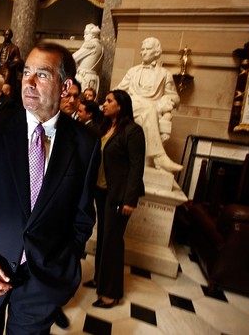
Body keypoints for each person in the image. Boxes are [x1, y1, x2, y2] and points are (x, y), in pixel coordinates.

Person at [0, 42, 100, 334]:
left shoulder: (85, 144)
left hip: (41, 284)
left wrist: (63, 265)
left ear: (66, 85)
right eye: (26, 72)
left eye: (41, 75)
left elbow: (82, 217)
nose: (28, 82)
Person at [84, 90, 145, 309]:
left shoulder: (133, 131)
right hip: (102, 191)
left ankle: (111, 293)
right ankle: (100, 279)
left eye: (109, 101)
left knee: (113, 241)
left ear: (121, 105)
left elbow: (137, 167)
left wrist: (130, 199)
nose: (104, 104)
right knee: (103, 238)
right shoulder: (104, 128)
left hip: (119, 194)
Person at [115, 37, 182, 172]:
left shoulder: (164, 74)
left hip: (152, 108)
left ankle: (151, 159)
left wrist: (165, 101)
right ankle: (159, 157)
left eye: (148, 49)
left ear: (156, 52)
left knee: (150, 108)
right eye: (143, 49)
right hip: (132, 104)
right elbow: (118, 91)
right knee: (149, 108)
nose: (143, 52)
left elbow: (175, 97)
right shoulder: (132, 71)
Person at [73, 24, 103, 97]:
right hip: (93, 77)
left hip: (85, 77)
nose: (84, 36)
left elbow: (73, 57)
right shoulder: (100, 46)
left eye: (86, 34)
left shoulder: (91, 44)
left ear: (93, 36)